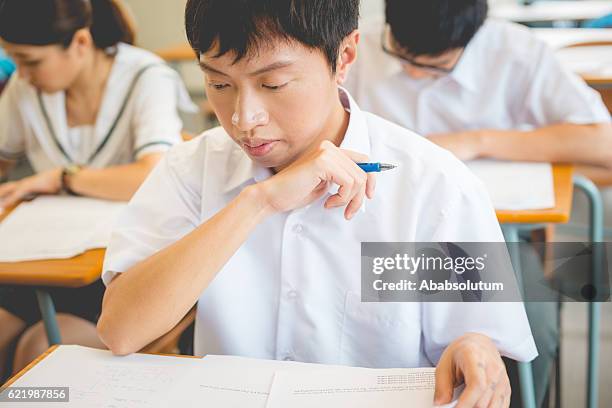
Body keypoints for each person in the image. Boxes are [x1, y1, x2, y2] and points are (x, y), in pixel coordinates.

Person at [97, 1, 537, 407]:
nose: (243, 118)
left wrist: (473, 348)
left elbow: (476, 344)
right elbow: (121, 331)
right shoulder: (192, 169)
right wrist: (259, 201)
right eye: (218, 83)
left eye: (273, 83)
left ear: (344, 57)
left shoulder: (432, 186)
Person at [342, 1, 611, 405]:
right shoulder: (362, 51)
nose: (415, 72)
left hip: (491, 235)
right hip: (375, 224)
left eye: (436, 66)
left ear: (472, 38)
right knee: (373, 321)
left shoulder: (514, 51)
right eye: (403, 56)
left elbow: (602, 143)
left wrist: (478, 141)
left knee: (525, 328)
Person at [0, 0, 195, 376]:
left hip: (120, 269)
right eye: (15, 61)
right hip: (42, 257)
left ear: (81, 43)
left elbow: (151, 173)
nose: (21, 74)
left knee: (38, 351)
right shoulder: (26, 88)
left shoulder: (144, 76)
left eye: (31, 61)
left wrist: (62, 178)